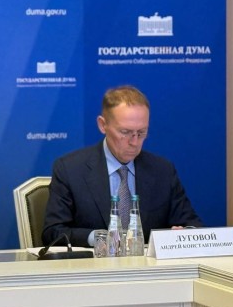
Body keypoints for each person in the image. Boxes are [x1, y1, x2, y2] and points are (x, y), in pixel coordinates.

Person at [42, 85, 202, 247]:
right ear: (102, 125)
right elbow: (53, 232)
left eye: (141, 133)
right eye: (125, 132)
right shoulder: (70, 169)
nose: (134, 142)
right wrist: (99, 238)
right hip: (95, 262)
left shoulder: (162, 171)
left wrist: (184, 234)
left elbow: (192, 225)